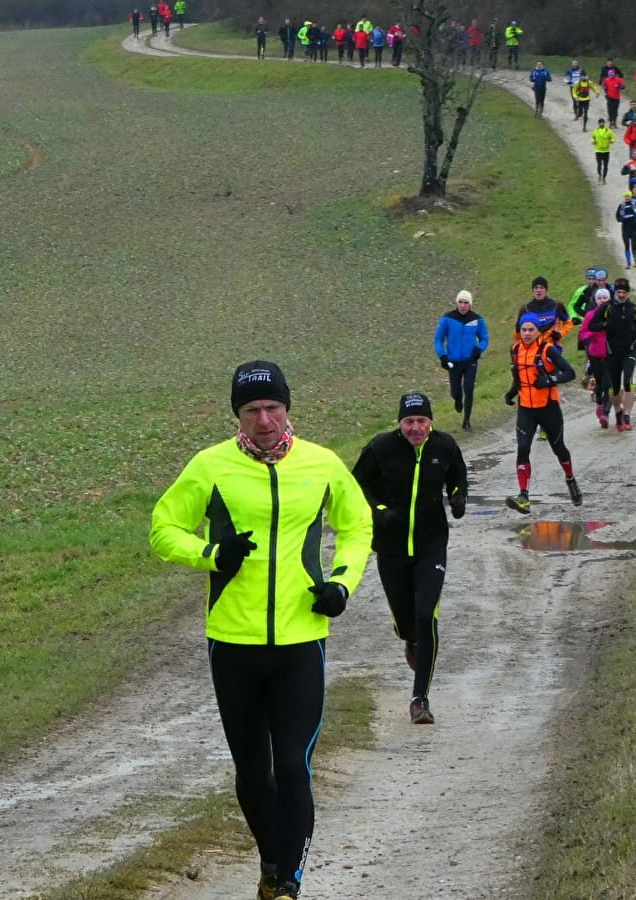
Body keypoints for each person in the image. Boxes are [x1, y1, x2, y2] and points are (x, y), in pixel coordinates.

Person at [150, 361, 371, 900]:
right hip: (233, 643)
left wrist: (341, 584)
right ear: (238, 416)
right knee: (252, 773)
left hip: (301, 641)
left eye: (273, 407)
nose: (265, 420)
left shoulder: (321, 464)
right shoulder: (210, 466)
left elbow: (357, 525)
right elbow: (162, 528)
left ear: (287, 408)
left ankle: (289, 884)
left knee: (293, 766)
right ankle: (272, 867)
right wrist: (211, 554)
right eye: (252, 411)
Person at [352, 393, 467, 726]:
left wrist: (458, 498)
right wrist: (379, 512)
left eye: (421, 421)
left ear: (431, 422)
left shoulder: (444, 446)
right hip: (391, 546)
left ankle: (420, 699)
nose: (415, 428)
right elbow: (356, 485)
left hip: (432, 542)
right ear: (399, 423)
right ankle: (410, 637)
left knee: (425, 614)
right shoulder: (381, 448)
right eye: (409, 422)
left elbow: (458, 476)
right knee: (407, 622)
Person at [504, 316, 582, 513]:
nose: (527, 333)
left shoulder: (547, 350)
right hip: (526, 409)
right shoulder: (515, 350)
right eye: (524, 330)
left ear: (538, 331)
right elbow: (518, 377)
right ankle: (523, 496)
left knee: (559, 449)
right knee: (523, 448)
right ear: (519, 332)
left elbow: (570, 372)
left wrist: (549, 380)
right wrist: (511, 393)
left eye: (531, 330)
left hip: (548, 407)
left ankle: (570, 479)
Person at [589, 277, 636, 431]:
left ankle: (626, 416)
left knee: (627, 381)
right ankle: (618, 412)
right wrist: (605, 324)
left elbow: (635, 325)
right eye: (619, 292)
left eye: (624, 292)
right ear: (615, 292)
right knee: (614, 386)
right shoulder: (607, 308)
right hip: (612, 351)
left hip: (630, 349)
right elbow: (593, 325)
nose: (621, 295)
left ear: (628, 293)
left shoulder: (634, 308)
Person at [433, 289, 489, 431]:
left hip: (470, 361)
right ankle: (458, 399)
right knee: (456, 392)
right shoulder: (447, 319)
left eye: (466, 303)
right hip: (453, 361)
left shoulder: (477, 319)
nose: (463, 305)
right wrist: (442, 356)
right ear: (456, 303)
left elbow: (485, 338)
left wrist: (479, 349)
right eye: (460, 302)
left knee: (469, 389)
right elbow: (438, 339)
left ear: (470, 304)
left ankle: (466, 421)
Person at [577, 288, 613, 429]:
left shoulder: (613, 315)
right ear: (596, 300)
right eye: (600, 298)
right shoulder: (590, 315)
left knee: (609, 384)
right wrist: (592, 335)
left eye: (605, 298)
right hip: (595, 353)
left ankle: (605, 414)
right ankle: (599, 400)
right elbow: (582, 334)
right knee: (599, 384)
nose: (602, 300)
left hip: (610, 354)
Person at [515, 275, 573, 348]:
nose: (538, 290)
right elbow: (518, 335)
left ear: (546, 290)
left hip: (553, 348)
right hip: (533, 349)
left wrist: (560, 334)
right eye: (536, 288)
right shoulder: (526, 308)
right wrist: (518, 330)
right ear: (532, 290)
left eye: (541, 287)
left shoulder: (557, 305)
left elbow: (569, 323)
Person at [616, 190, 636, 269]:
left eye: (628, 196)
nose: (627, 198)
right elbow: (617, 216)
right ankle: (628, 263)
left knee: (634, 246)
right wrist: (621, 220)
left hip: (634, 228)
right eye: (625, 196)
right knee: (626, 246)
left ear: (631, 197)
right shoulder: (621, 206)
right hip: (625, 229)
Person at [591, 118, 615, 183]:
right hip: (598, 150)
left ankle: (604, 178)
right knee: (599, 164)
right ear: (598, 124)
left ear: (604, 123)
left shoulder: (608, 131)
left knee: (606, 165)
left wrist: (612, 141)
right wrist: (593, 141)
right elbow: (592, 137)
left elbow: (613, 137)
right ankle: (600, 175)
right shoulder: (595, 131)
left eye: (603, 122)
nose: (602, 124)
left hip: (606, 151)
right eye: (600, 123)